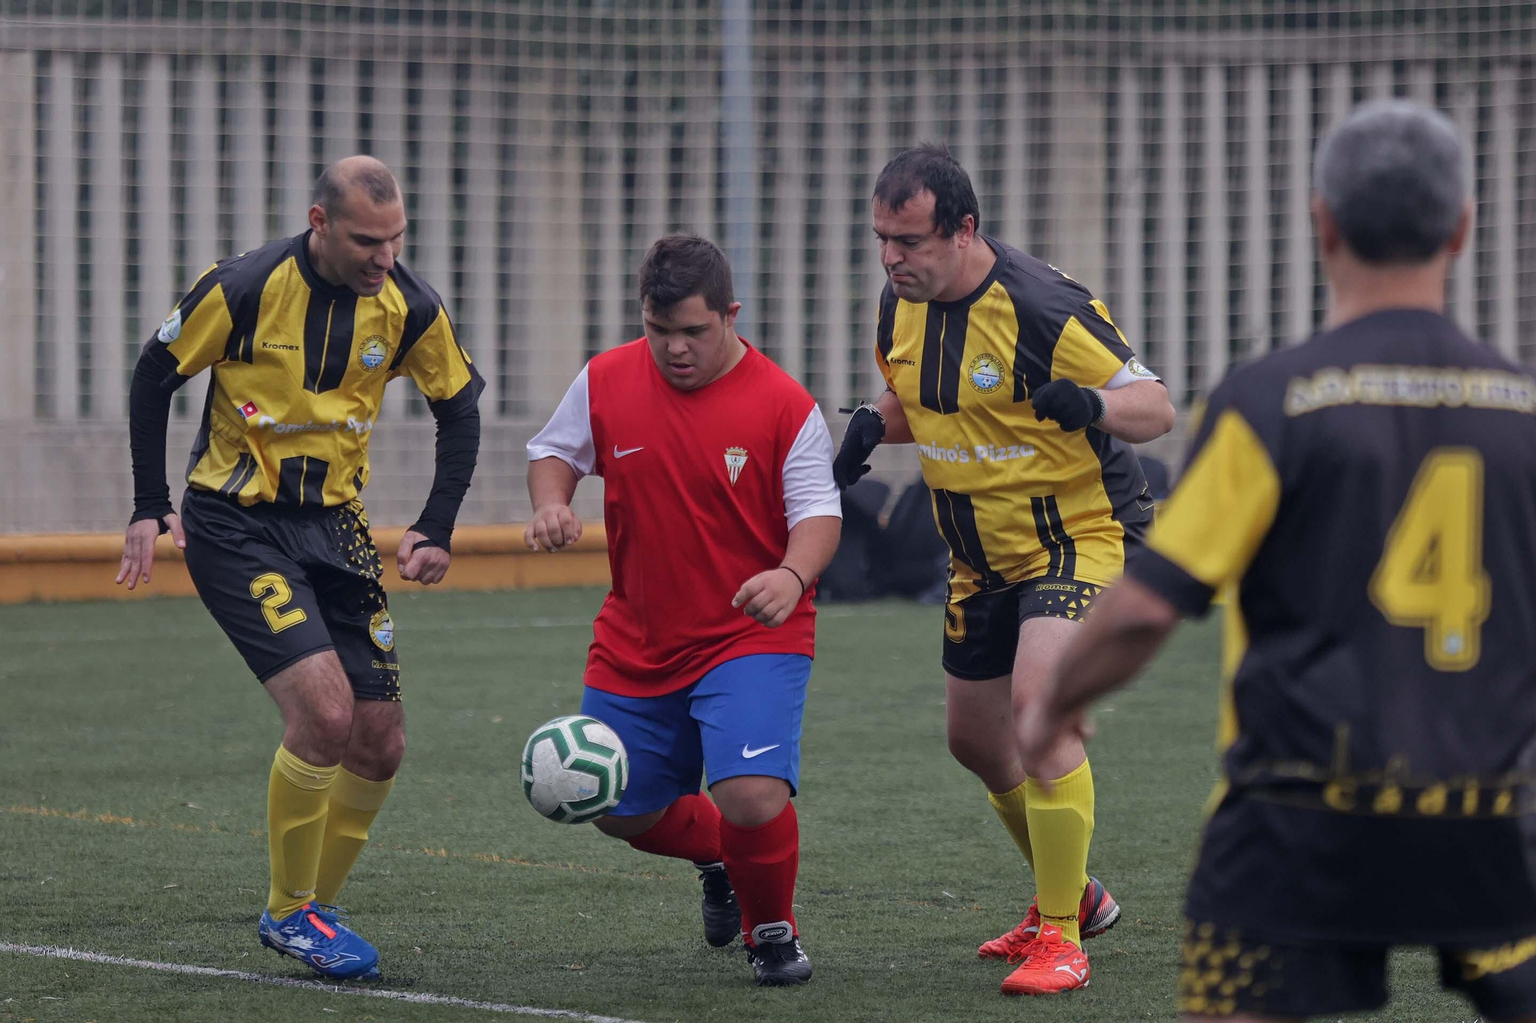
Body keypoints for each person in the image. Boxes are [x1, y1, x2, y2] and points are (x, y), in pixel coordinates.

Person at [1016, 100, 1536, 1023]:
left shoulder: (1267, 403)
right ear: (1464, 226)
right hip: (1484, 809)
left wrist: (1052, 702)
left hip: (1297, 811)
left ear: (1320, 221)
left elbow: (1145, 608)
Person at [117, 156, 483, 981]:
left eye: (395, 239)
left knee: (380, 740)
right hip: (235, 524)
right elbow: (154, 373)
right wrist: (149, 502)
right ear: (320, 223)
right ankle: (288, 914)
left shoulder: (409, 305)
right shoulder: (245, 287)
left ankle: (312, 903)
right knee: (324, 712)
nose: (385, 257)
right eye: (366, 240)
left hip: (338, 530)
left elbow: (458, 407)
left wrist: (437, 523)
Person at [831, 144, 1173, 995]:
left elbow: (1158, 407)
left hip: (1080, 536)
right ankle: (1076, 896)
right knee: (976, 741)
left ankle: (1061, 937)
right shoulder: (897, 305)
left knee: (1038, 709)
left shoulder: (1043, 305)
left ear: (964, 229)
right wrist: (875, 426)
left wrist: (1091, 402)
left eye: (909, 241)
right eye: (882, 239)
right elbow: (931, 401)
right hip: (980, 555)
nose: (892, 258)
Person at [524, 234, 841, 987]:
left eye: (693, 331)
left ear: (730, 315)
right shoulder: (605, 379)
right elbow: (555, 452)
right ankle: (719, 858)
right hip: (639, 635)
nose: (674, 349)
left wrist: (793, 577)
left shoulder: (784, 403)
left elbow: (819, 515)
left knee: (750, 793)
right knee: (611, 807)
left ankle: (773, 931)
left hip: (752, 631)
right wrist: (550, 505)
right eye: (658, 330)